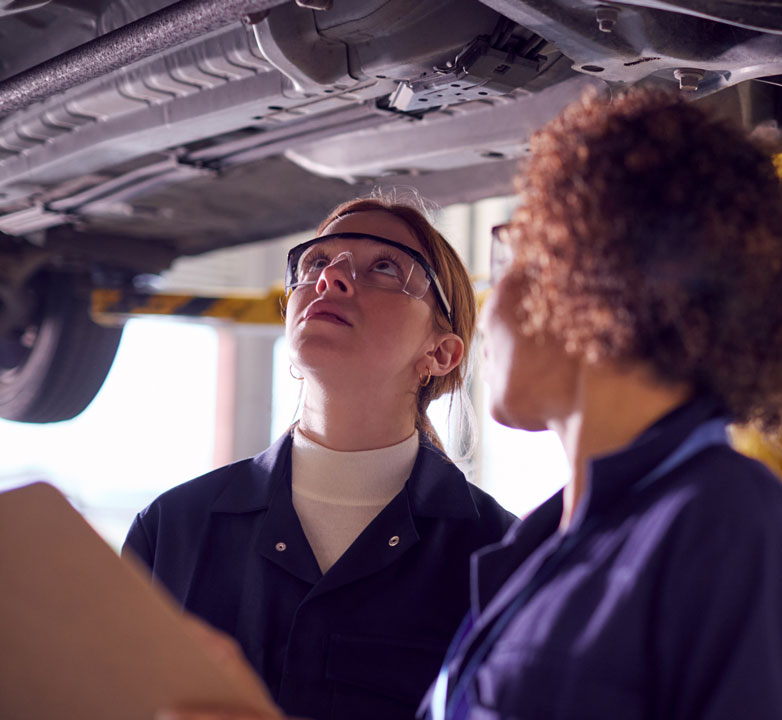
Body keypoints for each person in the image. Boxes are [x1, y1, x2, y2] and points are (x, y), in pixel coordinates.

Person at [423, 87, 782, 719]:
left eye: (508, 256)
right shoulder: (547, 543)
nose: (486, 310)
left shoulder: (739, 540)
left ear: (580, 270)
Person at [124, 196, 515, 720]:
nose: (331, 278)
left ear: (440, 354)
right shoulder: (171, 530)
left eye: (384, 266)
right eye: (315, 262)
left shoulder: (499, 559)